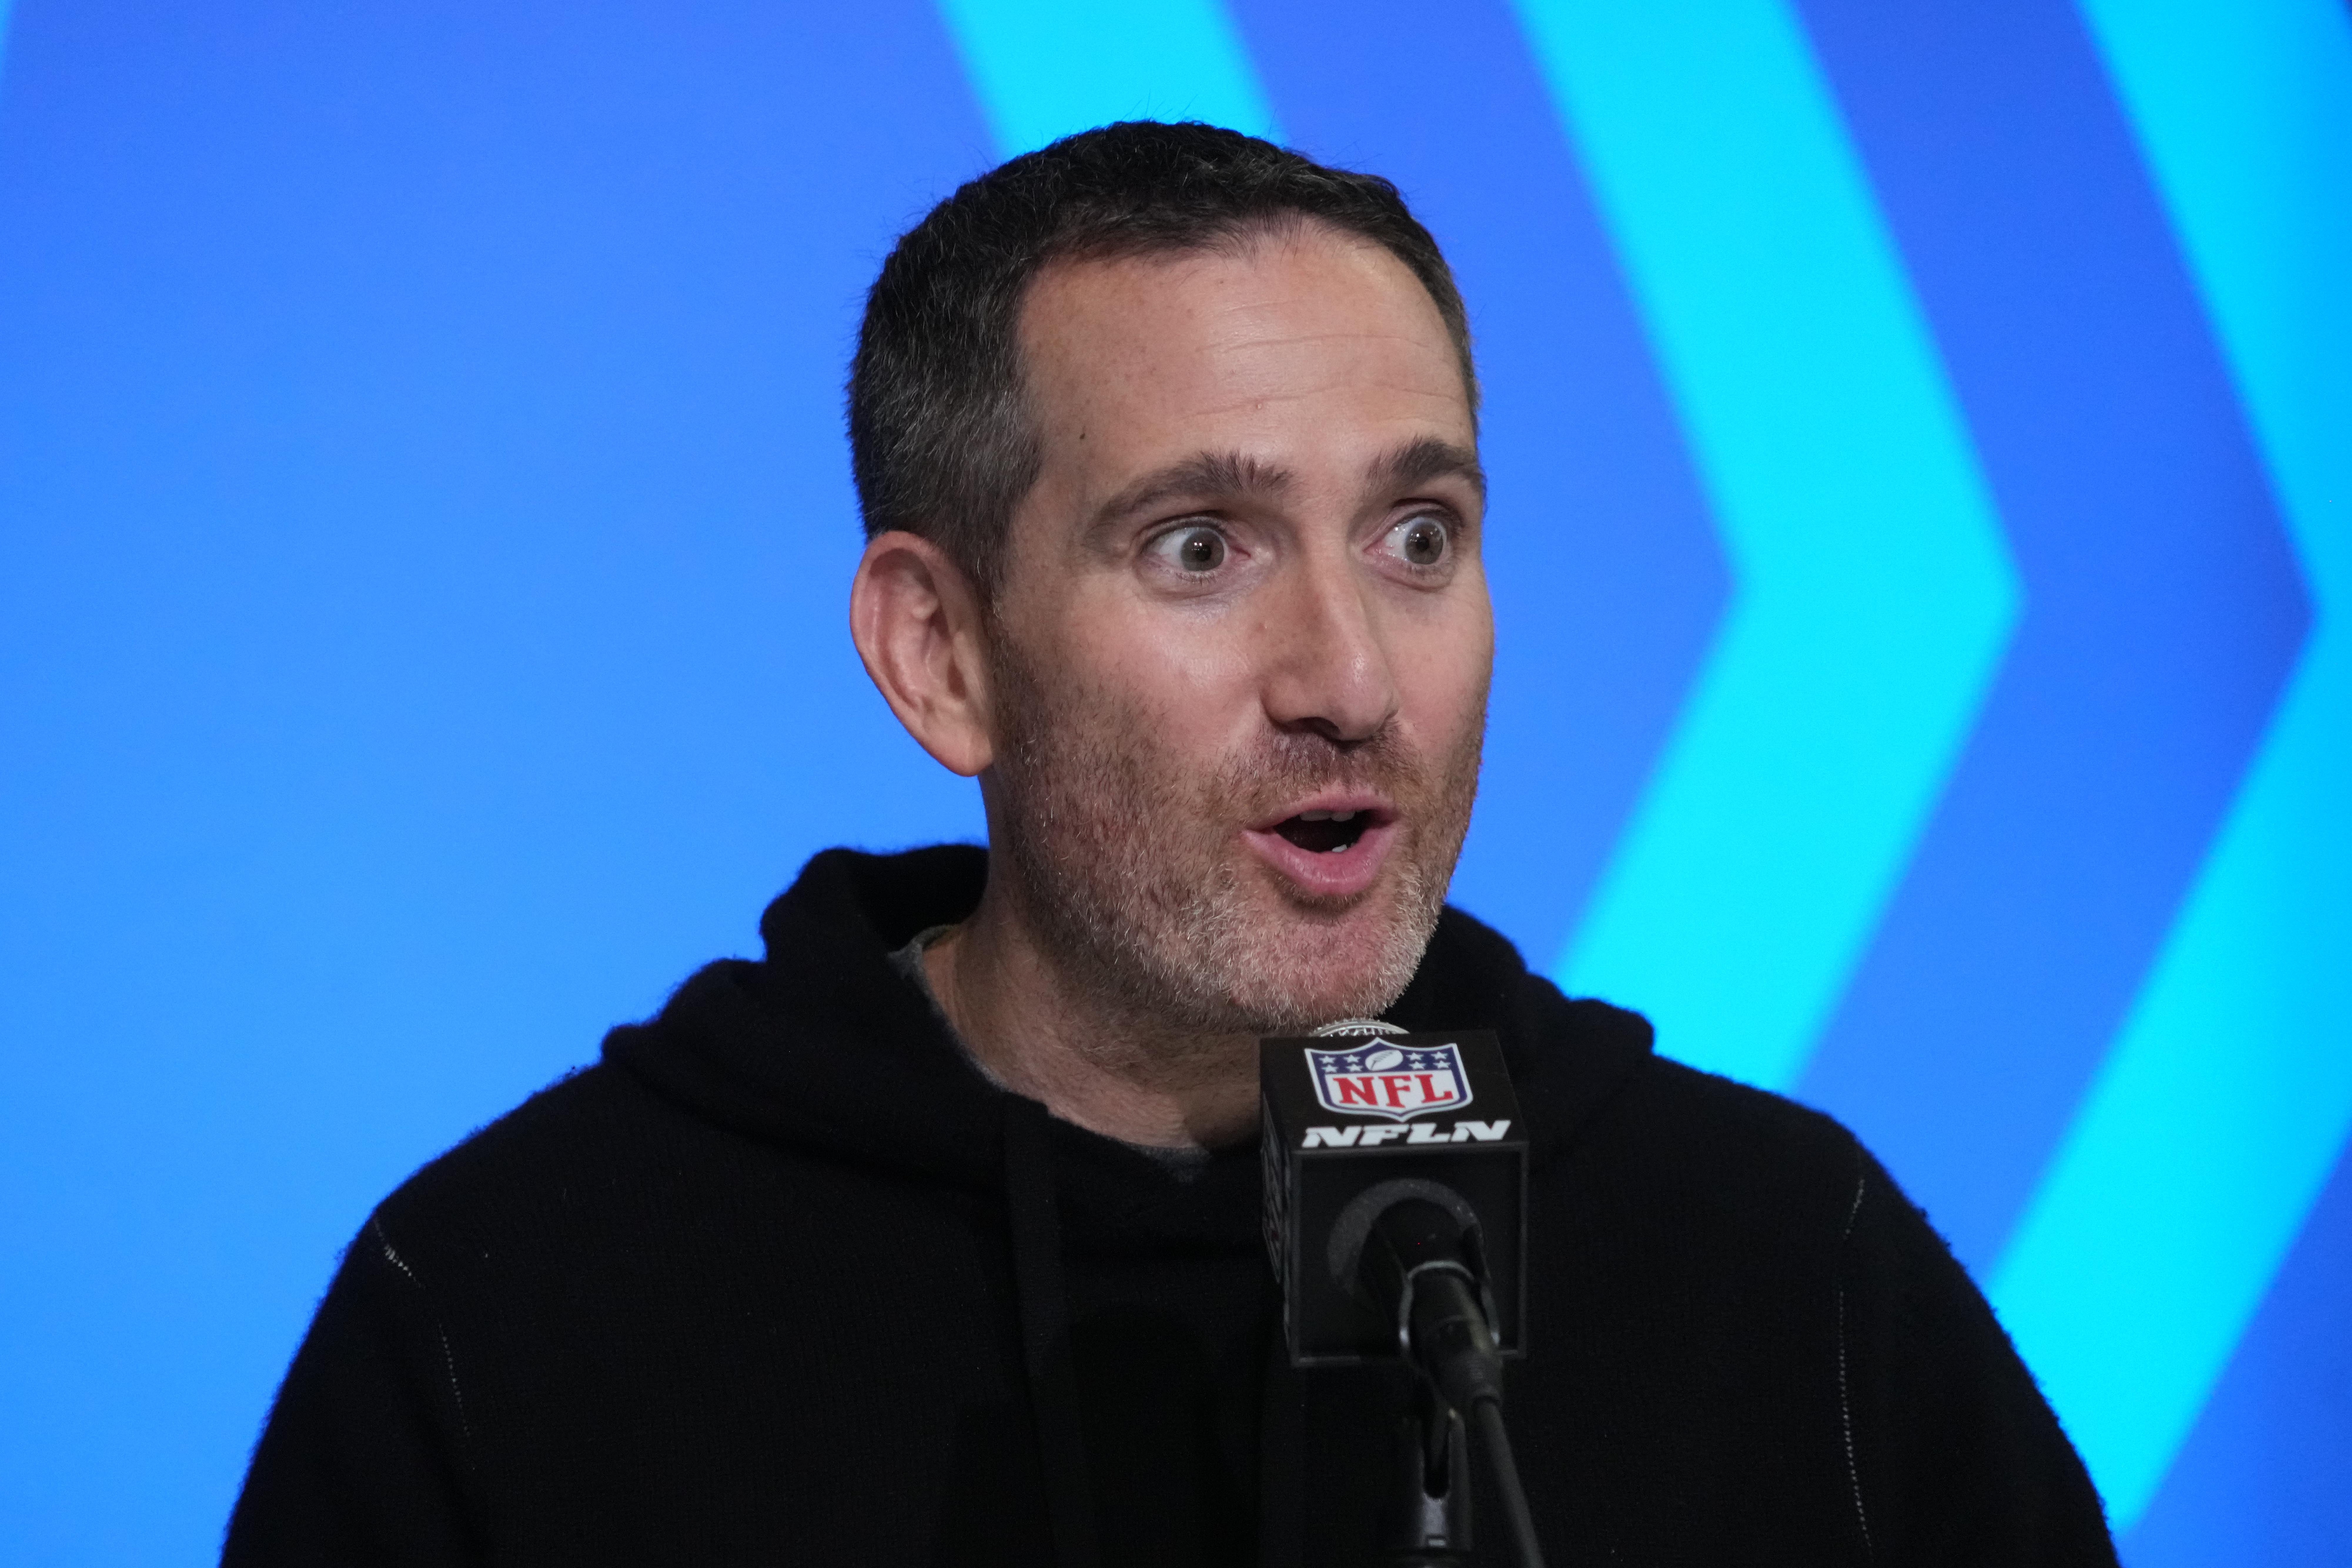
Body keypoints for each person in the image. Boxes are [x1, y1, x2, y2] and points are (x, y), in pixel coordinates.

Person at [224, 121, 2115, 1567]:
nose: (1348, 679)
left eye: (1418, 537)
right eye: (1201, 548)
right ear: (941, 653)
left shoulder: (1786, 1274)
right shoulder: (511, 1312)